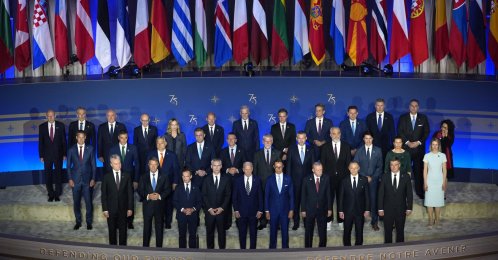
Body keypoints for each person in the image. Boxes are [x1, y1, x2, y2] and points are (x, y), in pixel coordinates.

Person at [397, 99, 430, 199]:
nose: (414, 107)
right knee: (403, 171)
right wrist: (407, 142)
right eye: (412, 106)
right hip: (405, 149)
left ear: (418, 107)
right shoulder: (403, 118)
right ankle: (402, 191)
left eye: (416, 106)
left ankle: (419, 191)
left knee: (419, 171)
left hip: (418, 150)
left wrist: (418, 142)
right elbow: (400, 131)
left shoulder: (423, 118)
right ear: (409, 107)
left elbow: (426, 132)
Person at [320, 127, 351, 230]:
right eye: (333, 134)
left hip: (342, 179)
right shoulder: (325, 147)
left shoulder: (346, 146)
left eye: (338, 133)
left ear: (340, 134)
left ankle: (341, 220)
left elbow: (348, 164)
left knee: (341, 199)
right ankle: (328, 220)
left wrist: (347, 179)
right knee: (328, 199)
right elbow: (322, 164)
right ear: (330, 135)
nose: (336, 135)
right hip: (329, 178)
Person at [146, 136, 180, 229]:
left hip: (168, 185)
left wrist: (175, 182)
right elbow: (147, 169)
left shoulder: (172, 155)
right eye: (157, 143)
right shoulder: (151, 154)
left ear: (165, 144)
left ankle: (168, 222)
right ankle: (159, 222)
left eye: (161, 142)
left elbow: (176, 170)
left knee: (168, 204)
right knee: (158, 204)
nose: (159, 144)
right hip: (155, 184)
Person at [378, 158, 413, 243]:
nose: (393, 167)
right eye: (391, 165)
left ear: (399, 165)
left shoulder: (406, 177)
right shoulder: (384, 177)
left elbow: (409, 193)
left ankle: (400, 250)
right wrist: (380, 208)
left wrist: (409, 207)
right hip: (387, 209)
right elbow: (380, 194)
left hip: (401, 209)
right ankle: (388, 249)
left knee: (400, 231)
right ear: (389, 166)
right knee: (387, 231)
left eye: (396, 164)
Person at [109, 131, 140, 229]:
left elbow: (137, 165)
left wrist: (136, 180)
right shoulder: (113, 148)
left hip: (129, 178)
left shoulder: (133, 148)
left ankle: (129, 221)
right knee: (118, 199)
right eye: (121, 137)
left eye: (125, 137)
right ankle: (118, 221)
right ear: (118, 137)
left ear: (127, 138)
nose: (123, 139)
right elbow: (110, 165)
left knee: (129, 199)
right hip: (117, 178)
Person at [101, 155, 134, 246]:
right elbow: (104, 195)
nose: (118, 165)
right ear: (111, 164)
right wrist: (105, 209)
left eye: (119, 163)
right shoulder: (106, 177)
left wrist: (130, 208)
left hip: (123, 209)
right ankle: (113, 250)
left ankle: (123, 250)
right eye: (115, 164)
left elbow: (130, 194)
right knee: (112, 231)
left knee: (123, 231)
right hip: (111, 209)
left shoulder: (127, 175)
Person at [138, 157, 171, 247]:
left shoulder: (164, 176)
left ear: (158, 165)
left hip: (159, 206)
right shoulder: (143, 177)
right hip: (147, 206)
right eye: (151, 164)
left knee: (159, 228)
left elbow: (168, 189)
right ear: (148, 165)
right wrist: (148, 196)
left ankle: (159, 249)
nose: (153, 166)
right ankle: (145, 248)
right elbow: (140, 190)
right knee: (147, 228)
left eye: (155, 164)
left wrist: (159, 196)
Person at [67, 130, 96, 230]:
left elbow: (93, 165)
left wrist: (93, 178)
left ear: (85, 137)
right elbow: (68, 166)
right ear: (76, 137)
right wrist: (70, 179)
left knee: (88, 202)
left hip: (87, 181)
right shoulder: (71, 149)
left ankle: (89, 222)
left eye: (83, 137)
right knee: (76, 202)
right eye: (79, 137)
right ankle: (78, 222)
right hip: (75, 181)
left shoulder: (90, 148)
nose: (81, 139)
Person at [353, 131, 383, 231]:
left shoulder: (378, 150)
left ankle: (374, 222)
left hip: (374, 181)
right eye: (366, 138)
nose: (368, 140)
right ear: (363, 139)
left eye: (370, 138)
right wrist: (364, 177)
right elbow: (355, 165)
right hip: (361, 179)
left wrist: (372, 177)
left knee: (374, 201)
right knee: (361, 201)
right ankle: (360, 220)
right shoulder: (359, 151)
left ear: (373, 139)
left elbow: (379, 167)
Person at [286, 131, 315, 230]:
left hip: (308, 182)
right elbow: (288, 166)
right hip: (295, 181)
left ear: (306, 138)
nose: (301, 140)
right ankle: (296, 222)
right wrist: (289, 181)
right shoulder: (292, 149)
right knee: (296, 203)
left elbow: (313, 166)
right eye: (299, 138)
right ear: (296, 139)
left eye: (303, 138)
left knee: (307, 203)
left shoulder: (310, 149)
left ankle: (307, 222)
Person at [232, 162, 263, 249]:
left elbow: (260, 196)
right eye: (246, 169)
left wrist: (260, 210)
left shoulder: (257, 180)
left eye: (249, 169)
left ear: (252, 169)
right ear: (243, 169)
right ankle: (242, 253)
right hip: (241, 212)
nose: (248, 171)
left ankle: (253, 253)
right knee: (242, 234)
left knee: (253, 234)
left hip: (254, 212)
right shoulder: (238, 180)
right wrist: (236, 210)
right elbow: (234, 197)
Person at [202, 159, 232, 249]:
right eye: (214, 165)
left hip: (221, 212)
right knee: (209, 233)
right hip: (209, 212)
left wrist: (222, 208)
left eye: (218, 165)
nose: (216, 167)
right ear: (211, 167)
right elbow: (204, 195)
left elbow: (228, 195)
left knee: (222, 233)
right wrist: (209, 209)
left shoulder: (226, 179)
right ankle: (209, 253)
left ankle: (222, 253)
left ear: (221, 166)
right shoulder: (206, 179)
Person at [219, 132, 247, 230]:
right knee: (227, 201)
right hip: (226, 180)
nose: (231, 140)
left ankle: (239, 222)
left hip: (238, 180)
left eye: (233, 138)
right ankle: (227, 222)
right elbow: (220, 166)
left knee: (239, 201)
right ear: (227, 140)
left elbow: (245, 165)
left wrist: (237, 170)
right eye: (229, 139)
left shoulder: (242, 151)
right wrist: (227, 170)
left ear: (236, 140)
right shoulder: (222, 151)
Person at [300, 162, 332, 248]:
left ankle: (322, 248)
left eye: (321, 169)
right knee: (309, 231)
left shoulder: (326, 178)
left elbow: (328, 194)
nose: (320, 171)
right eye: (318, 170)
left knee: (322, 231)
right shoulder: (306, 179)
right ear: (313, 170)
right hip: (310, 209)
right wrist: (303, 210)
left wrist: (329, 208)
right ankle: (308, 248)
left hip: (322, 209)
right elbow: (303, 196)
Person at [253, 134, 281, 230]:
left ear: (272, 142)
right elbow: (255, 170)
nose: (268, 142)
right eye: (266, 141)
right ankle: (263, 222)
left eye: (269, 141)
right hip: (261, 183)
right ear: (263, 141)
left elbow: (280, 169)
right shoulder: (257, 154)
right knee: (262, 202)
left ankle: (275, 222)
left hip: (274, 183)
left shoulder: (277, 153)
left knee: (275, 202)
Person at [339, 162, 370, 246]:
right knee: (347, 231)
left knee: (359, 231)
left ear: (359, 168)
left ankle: (358, 248)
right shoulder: (344, 181)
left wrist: (367, 209)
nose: (353, 170)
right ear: (349, 168)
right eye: (351, 168)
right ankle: (347, 248)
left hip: (360, 210)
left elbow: (367, 196)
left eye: (355, 168)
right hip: (347, 210)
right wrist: (341, 211)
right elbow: (341, 197)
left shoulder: (364, 180)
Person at [39, 109, 67, 202]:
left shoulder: (61, 125)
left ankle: (57, 194)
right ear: (46, 116)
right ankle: (50, 194)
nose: (50, 117)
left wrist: (64, 153)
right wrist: (41, 155)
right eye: (49, 116)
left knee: (58, 175)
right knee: (48, 175)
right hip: (47, 156)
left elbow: (64, 141)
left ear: (55, 115)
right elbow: (41, 142)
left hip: (58, 155)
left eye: (52, 115)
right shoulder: (42, 127)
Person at [265, 160, 294, 249]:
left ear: (283, 167)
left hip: (285, 211)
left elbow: (291, 195)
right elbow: (266, 196)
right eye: (277, 167)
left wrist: (291, 209)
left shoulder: (288, 179)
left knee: (285, 232)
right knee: (273, 232)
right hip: (273, 211)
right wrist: (267, 210)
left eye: (280, 167)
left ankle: (285, 251)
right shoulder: (269, 179)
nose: (278, 169)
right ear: (274, 167)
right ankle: (272, 252)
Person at [173, 168, 202, 248]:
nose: (185, 178)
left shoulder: (196, 188)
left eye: (187, 176)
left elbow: (200, 202)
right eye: (184, 176)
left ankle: (192, 253)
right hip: (181, 216)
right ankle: (182, 254)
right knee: (182, 235)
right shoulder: (178, 188)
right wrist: (183, 210)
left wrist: (192, 209)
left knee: (192, 235)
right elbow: (175, 201)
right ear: (182, 177)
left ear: (191, 176)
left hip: (193, 216)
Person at [423, 138, 447, 229]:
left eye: (436, 144)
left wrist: (444, 182)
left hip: (439, 181)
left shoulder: (443, 155)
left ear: (439, 145)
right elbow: (425, 170)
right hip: (429, 181)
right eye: (433, 144)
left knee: (438, 202)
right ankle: (430, 220)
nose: (435, 146)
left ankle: (437, 220)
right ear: (431, 145)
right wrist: (425, 182)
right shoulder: (427, 156)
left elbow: (444, 170)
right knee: (429, 202)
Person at [133, 113, 158, 182]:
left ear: (149, 120)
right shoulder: (136, 130)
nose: (145, 122)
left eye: (146, 120)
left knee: (151, 173)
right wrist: (135, 156)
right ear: (140, 120)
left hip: (151, 156)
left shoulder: (154, 129)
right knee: (141, 173)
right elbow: (135, 144)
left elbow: (156, 143)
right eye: (143, 120)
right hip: (140, 156)